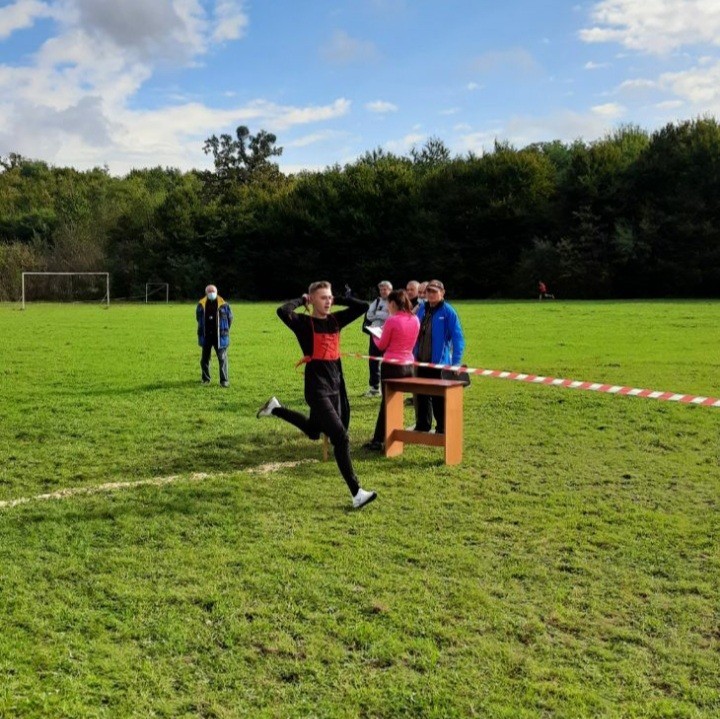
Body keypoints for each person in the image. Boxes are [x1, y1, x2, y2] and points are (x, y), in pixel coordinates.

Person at [256, 281, 377, 510]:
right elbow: (282, 311)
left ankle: (275, 408)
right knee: (341, 437)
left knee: (313, 430)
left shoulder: (336, 320)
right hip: (316, 388)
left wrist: (338, 298)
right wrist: (302, 300)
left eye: (330, 297)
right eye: (323, 298)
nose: (328, 301)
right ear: (312, 300)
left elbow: (363, 306)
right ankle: (357, 493)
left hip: (335, 387)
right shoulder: (303, 323)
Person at [363, 289, 420, 451]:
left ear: (393, 303)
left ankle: (378, 440)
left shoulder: (392, 320)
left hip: (392, 366)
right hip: (409, 365)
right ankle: (388, 435)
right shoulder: (415, 319)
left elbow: (382, 345)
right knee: (394, 402)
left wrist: (375, 335)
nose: (387, 307)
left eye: (388, 304)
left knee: (386, 403)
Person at [414, 279, 465, 434]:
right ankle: (423, 426)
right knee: (421, 395)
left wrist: (456, 363)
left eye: (434, 291)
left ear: (442, 293)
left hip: (439, 364)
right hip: (420, 362)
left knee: (439, 398)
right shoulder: (422, 309)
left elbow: (458, 338)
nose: (431, 294)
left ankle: (442, 428)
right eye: (428, 291)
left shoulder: (448, 311)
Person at [196, 284, 233, 387]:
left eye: (213, 291)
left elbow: (230, 319)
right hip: (206, 337)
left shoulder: (224, 305)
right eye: (209, 292)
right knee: (204, 360)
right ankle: (205, 379)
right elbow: (198, 318)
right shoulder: (200, 305)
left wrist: (223, 330)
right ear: (206, 293)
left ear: (216, 292)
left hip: (220, 337)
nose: (211, 293)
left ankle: (224, 381)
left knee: (222, 359)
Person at [363, 280, 392, 397]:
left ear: (390, 290)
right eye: (381, 289)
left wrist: (378, 314)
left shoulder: (394, 301)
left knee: (387, 362)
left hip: (388, 335)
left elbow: (392, 316)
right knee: (373, 360)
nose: (383, 291)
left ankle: (388, 387)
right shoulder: (377, 301)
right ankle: (374, 388)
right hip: (374, 334)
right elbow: (369, 315)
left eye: (385, 289)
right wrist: (382, 314)